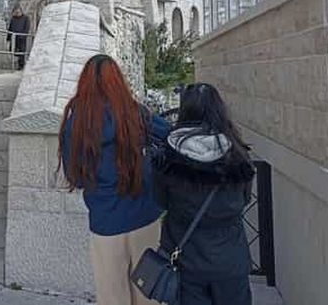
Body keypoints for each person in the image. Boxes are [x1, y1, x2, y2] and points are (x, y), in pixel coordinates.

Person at [58, 55, 169, 305]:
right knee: (149, 294)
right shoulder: (135, 113)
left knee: (112, 297)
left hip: (105, 219)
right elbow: (170, 136)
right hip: (145, 214)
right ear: (117, 80)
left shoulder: (76, 122)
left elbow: (73, 174)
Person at [151, 83, 255, 305]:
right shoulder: (238, 156)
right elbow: (244, 199)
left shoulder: (168, 158)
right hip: (230, 258)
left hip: (186, 259)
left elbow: (160, 200)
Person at [7, 5, 30, 70]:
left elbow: (27, 28)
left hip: (21, 37)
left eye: (18, 11)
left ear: (21, 11)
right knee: (13, 50)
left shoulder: (26, 18)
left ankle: (21, 65)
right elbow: (10, 28)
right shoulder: (13, 19)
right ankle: (15, 63)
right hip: (14, 37)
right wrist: (8, 38)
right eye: (15, 11)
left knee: (21, 51)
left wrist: (23, 35)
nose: (17, 12)